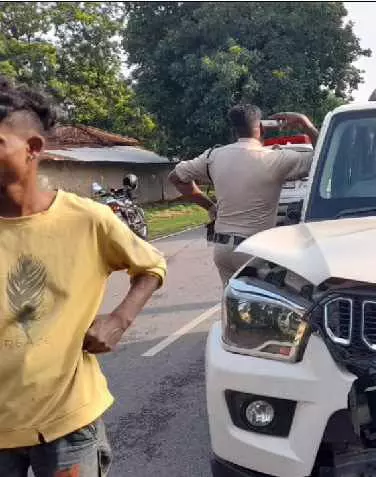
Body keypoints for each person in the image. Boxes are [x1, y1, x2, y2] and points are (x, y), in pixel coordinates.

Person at [0, 77, 167, 476]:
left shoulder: (86, 219)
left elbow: (151, 266)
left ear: (32, 148)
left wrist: (118, 319)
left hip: (65, 422)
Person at [169, 104, 318, 283]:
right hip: (255, 250)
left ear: (234, 131)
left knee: (231, 298)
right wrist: (306, 124)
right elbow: (324, 157)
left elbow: (175, 178)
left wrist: (210, 207)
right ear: (262, 127)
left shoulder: (213, 156)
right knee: (261, 300)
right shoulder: (276, 158)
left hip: (223, 250)